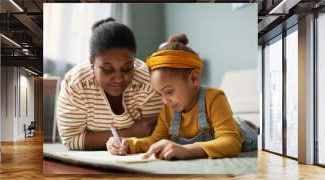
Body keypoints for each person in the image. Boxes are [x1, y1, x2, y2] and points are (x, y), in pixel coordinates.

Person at [106, 33, 257, 160]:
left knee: (249, 127)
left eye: (169, 92)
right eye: (160, 94)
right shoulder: (168, 108)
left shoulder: (214, 98)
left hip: (244, 133)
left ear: (194, 79)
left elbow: (231, 142)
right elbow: (156, 140)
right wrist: (128, 144)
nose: (164, 100)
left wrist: (188, 150)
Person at [57, 18, 162, 151]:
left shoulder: (148, 81)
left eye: (127, 68)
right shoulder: (75, 85)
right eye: (107, 69)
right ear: (92, 62)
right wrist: (130, 133)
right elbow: (71, 139)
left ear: (134, 61)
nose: (118, 79)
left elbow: (155, 134)